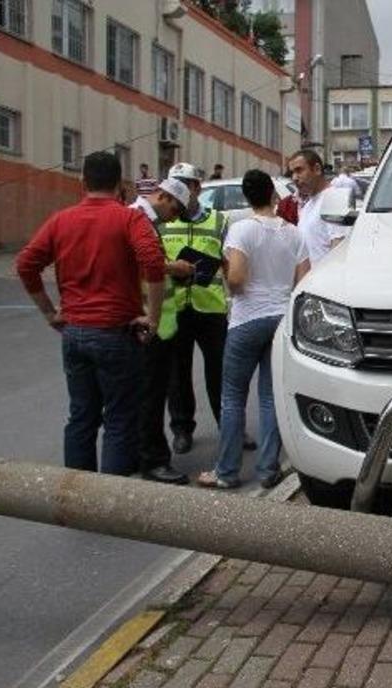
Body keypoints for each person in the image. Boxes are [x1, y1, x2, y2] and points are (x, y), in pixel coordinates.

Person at [14, 151, 165, 476]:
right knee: (120, 417)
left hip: (75, 333)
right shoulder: (129, 218)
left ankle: (78, 495)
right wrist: (153, 316)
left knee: (81, 415)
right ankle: (108, 501)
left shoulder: (60, 220)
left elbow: (26, 264)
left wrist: (50, 312)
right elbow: (153, 262)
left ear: (82, 181)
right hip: (116, 333)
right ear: (120, 185)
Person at [198, 169, 310, 490]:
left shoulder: (241, 230)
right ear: (273, 195)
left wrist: (229, 280)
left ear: (246, 197)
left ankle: (227, 472)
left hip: (247, 319)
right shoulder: (293, 233)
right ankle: (267, 470)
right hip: (280, 319)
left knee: (232, 397)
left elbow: (236, 279)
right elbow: (304, 278)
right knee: (269, 397)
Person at [159, 162, 229, 455]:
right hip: (175, 307)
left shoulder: (219, 221)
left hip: (211, 308)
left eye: (184, 185)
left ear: (197, 188)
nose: (177, 192)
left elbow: (230, 263)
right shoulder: (162, 222)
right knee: (178, 373)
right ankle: (182, 429)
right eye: (172, 186)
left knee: (220, 373)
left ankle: (229, 426)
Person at [129, 177, 195, 484]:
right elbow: (143, 264)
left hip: (156, 325)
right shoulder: (138, 218)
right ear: (165, 198)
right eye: (176, 210)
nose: (175, 218)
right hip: (147, 325)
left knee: (147, 394)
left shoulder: (144, 219)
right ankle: (154, 461)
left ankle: (138, 454)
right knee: (150, 396)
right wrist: (174, 268)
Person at [287, 149, 348, 264]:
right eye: (292, 173)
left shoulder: (335, 198)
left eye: (299, 170)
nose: (294, 177)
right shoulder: (308, 205)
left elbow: (339, 250)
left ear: (317, 169)